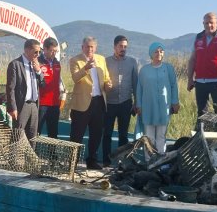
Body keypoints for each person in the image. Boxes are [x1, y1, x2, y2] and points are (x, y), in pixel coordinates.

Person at [69, 36, 111, 170]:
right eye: (87, 46)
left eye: (92, 47)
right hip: (82, 102)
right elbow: (75, 78)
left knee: (96, 133)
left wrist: (108, 84)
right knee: (77, 134)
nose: (90, 49)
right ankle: (72, 162)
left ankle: (92, 160)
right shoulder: (75, 60)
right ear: (82, 47)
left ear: (95, 48)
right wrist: (86, 68)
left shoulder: (101, 59)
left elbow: (106, 78)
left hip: (98, 101)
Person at [185, 12, 217, 118]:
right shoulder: (198, 37)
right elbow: (192, 59)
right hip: (200, 82)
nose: (209, 25)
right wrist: (190, 79)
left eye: (211, 22)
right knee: (201, 113)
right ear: (203, 23)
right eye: (206, 23)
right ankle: (201, 134)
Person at [136, 42, 179, 154]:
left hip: (164, 108)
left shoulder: (169, 68)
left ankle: (160, 161)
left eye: (161, 51)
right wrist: (138, 105)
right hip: (148, 107)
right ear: (151, 53)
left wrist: (175, 102)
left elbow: (174, 85)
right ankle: (149, 161)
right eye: (156, 51)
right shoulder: (144, 70)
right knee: (149, 137)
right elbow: (139, 89)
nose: (159, 53)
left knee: (161, 135)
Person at [103, 35, 139, 166]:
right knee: (107, 133)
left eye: (125, 47)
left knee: (123, 134)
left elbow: (136, 84)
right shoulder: (105, 61)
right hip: (109, 103)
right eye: (120, 46)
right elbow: (101, 82)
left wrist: (136, 102)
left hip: (126, 102)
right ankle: (106, 161)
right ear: (114, 47)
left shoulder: (132, 62)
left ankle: (121, 162)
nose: (123, 49)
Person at [6, 39, 45, 141]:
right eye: (35, 51)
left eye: (39, 52)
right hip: (21, 106)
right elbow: (10, 88)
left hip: (34, 105)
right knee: (17, 137)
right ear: (27, 50)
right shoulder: (15, 64)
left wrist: (39, 71)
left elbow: (43, 84)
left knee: (33, 137)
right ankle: (14, 157)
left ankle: (29, 157)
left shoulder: (36, 65)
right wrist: (12, 107)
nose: (38, 54)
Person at [37, 37, 65, 139]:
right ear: (44, 49)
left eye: (56, 51)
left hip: (54, 103)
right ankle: (31, 153)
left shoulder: (57, 63)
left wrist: (62, 96)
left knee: (53, 132)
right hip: (41, 103)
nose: (54, 53)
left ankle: (52, 154)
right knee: (37, 130)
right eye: (51, 51)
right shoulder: (38, 62)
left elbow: (58, 82)